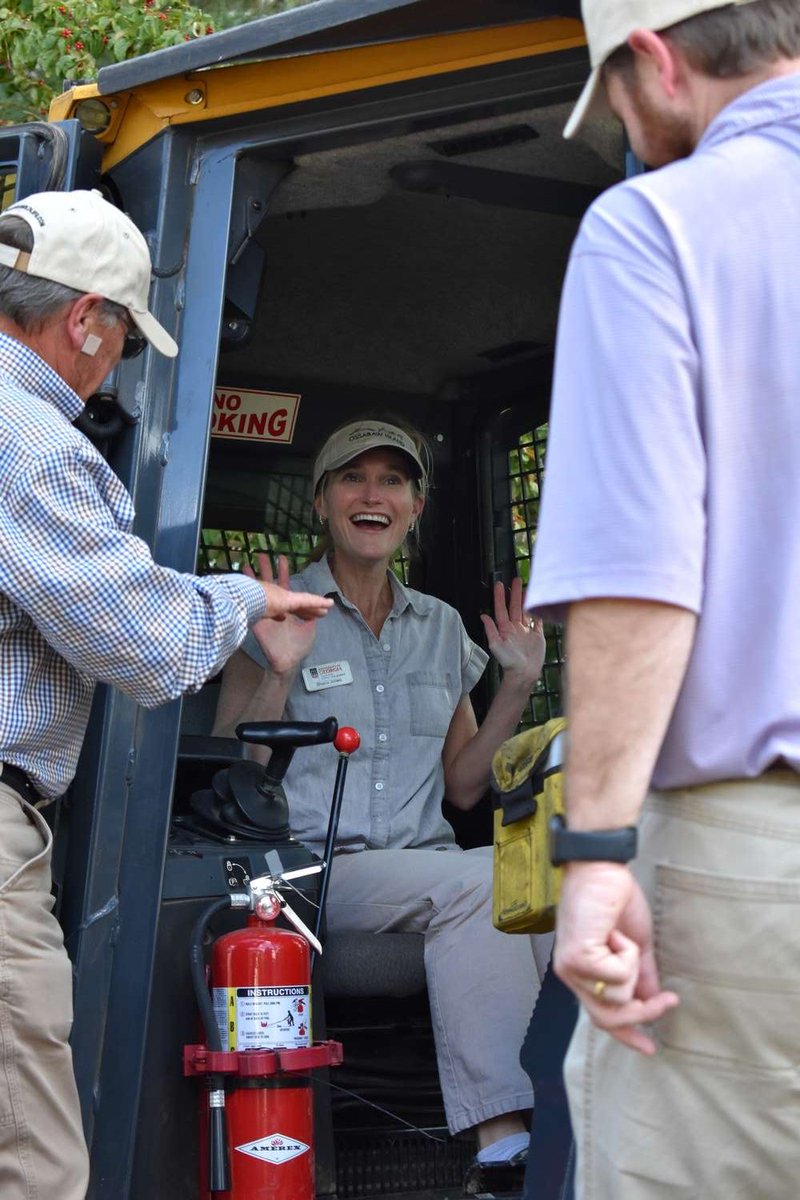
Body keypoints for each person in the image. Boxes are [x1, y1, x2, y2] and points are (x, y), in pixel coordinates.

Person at [0, 188, 332, 1200]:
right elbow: (144, 644)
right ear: (85, 318)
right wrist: (247, 598)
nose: (114, 369)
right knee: (34, 1157)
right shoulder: (34, 445)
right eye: (122, 344)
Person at [525, 1, 800, 1196]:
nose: (625, 138)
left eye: (617, 109)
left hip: (754, 865)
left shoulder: (656, 229)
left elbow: (639, 575)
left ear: (653, 61)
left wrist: (593, 852)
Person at [213, 417, 553, 1191]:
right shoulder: (275, 611)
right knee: (479, 881)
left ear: (416, 506)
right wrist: (278, 668)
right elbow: (233, 776)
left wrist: (519, 684)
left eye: (392, 480)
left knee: (549, 885)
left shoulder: (440, 628)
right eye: (354, 479)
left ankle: (576, 1119)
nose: (374, 495)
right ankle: (503, 1144)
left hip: (423, 871)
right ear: (324, 500)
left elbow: (465, 784)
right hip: (303, 877)